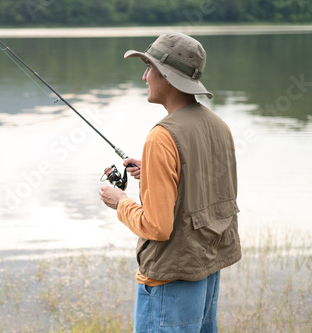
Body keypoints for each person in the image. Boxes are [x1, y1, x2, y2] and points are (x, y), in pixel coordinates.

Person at [99, 32, 241, 333]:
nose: (143, 76)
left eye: (149, 68)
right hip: (206, 270)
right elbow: (201, 186)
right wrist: (152, 170)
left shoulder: (162, 137)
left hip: (171, 280)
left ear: (166, 76)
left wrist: (120, 203)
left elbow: (157, 227)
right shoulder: (220, 126)